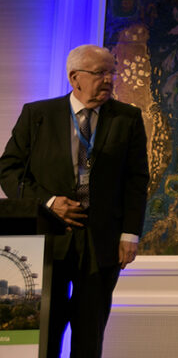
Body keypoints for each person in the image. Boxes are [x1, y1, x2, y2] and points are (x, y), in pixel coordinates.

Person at [0, 45, 150, 358]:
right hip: (47, 238)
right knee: (43, 329)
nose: (109, 79)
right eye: (100, 73)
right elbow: (8, 169)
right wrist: (48, 201)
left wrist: (130, 234)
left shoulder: (128, 118)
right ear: (75, 78)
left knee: (89, 331)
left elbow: (136, 180)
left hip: (102, 240)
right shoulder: (38, 115)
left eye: (112, 72)